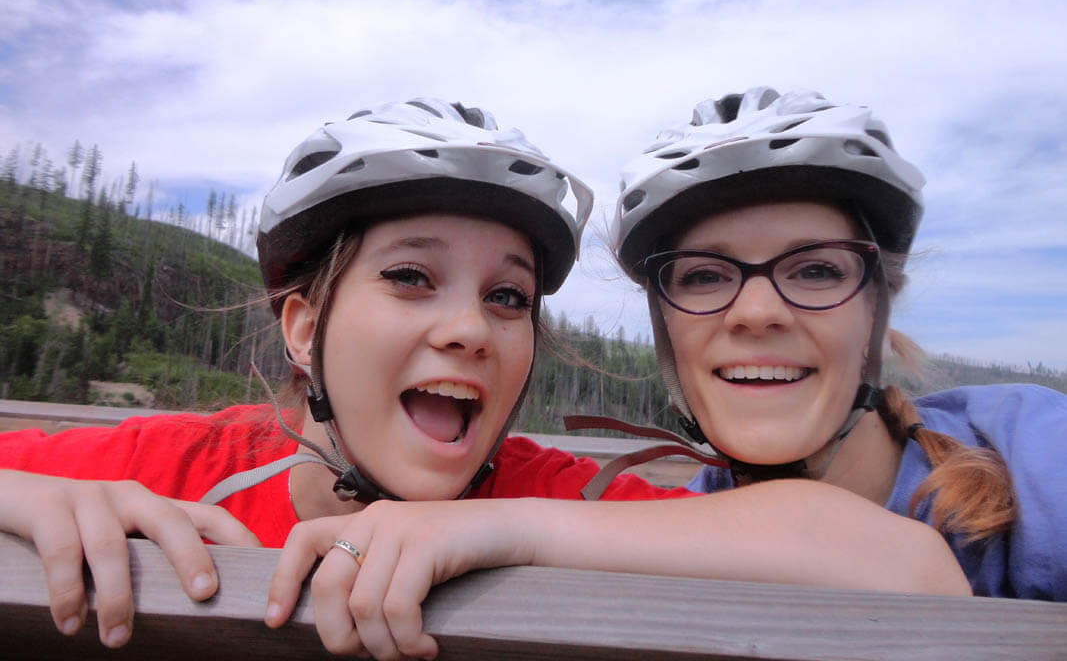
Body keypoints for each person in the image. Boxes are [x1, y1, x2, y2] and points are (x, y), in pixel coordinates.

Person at [1, 97, 968, 660]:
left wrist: (486, 524)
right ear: (304, 326)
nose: (469, 328)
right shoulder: (171, 467)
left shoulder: (558, 494)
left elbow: (909, 569)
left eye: (509, 299)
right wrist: (26, 500)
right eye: (411, 278)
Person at [597, 85, 1067, 601]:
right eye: (705, 277)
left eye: (816, 270)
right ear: (668, 331)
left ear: (879, 318)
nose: (756, 313)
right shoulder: (673, 538)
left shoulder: (1031, 451)